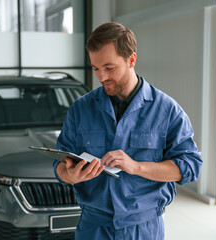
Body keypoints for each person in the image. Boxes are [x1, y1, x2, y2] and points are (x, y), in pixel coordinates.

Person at [53, 22, 203, 240]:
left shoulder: (167, 110)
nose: (101, 77)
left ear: (131, 59)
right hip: (93, 227)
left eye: (109, 67)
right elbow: (59, 163)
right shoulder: (80, 109)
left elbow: (190, 167)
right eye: (96, 68)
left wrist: (136, 166)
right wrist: (69, 175)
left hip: (143, 229)